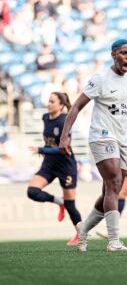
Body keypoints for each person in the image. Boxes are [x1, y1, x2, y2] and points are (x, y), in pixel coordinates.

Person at [59, 39, 127, 252]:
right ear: (113, 55)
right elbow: (76, 106)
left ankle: (82, 231)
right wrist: (65, 135)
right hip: (101, 136)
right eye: (124, 53)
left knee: (111, 189)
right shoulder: (101, 79)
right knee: (114, 182)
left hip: (123, 140)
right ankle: (114, 241)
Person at [27, 92, 82, 246]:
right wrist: (44, 150)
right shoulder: (45, 117)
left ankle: (81, 234)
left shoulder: (64, 121)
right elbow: (50, 141)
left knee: (71, 205)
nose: (49, 104)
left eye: (52, 101)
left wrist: (42, 150)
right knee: (32, 191)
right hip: (50, 165)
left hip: (66, 166)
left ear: (61, 105)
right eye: (48, 101)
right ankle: (59, 202)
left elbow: (64, 149)